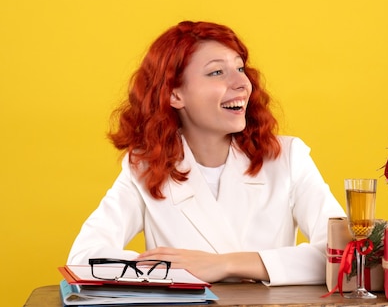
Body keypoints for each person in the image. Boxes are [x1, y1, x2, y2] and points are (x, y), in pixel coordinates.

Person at [67, 20, 346, 286]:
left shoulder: (287, 157)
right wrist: (168, 269)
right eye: (216, 72)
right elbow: (84, 258)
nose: (242, 84)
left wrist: (225, 264)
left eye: (240, 69)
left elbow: (344, 255)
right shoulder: (145, 166)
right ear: (175, 95)